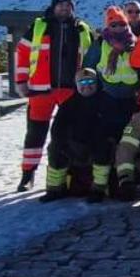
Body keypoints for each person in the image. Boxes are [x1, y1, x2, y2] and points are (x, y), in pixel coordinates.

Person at [11, 0, 95, 192]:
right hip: (41, 90)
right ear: (53, 7)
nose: (64, 8)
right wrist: (21, 81)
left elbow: (91, 59)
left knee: (67, 135)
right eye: (61, 5)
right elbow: (21, 54)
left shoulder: (82, 29)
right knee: (35, 134)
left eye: (68, 5)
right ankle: (27, 175)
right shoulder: (39, 26)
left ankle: (65, 174)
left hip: (70, 91)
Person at [80, 7, 140, 199]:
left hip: (131, 101)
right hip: (107, 99)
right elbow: (88, 68)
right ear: (108, 25)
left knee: (128, 144)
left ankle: (123, 183)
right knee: (103, 142)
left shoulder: (136, 43)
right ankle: (99, 186)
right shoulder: (100, 43)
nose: (118, 27)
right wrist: (92, 93)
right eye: (114, 24)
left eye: (122, 24)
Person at [41, 68, 105, 201]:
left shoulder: (106, 101)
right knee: (54, 148)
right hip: (74, 148)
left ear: (97, 83)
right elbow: (57, 129)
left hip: (97, 146)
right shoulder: (68, 104)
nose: (86, 86)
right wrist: (64, 143)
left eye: (90, 82)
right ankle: (55, 189)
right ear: (77, 85)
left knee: (104, 148)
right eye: (82, 82)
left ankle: (98, 189)